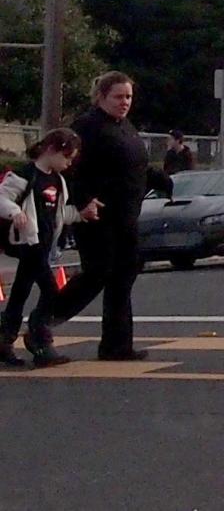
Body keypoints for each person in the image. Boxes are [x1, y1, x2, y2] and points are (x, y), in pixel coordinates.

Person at [49, 71, 173, 361]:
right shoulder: (87, 127)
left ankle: (117, 345)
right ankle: (43, 320)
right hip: (97, 217)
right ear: (101, 97)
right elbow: (68, 168)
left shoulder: (126, 127)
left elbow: (134, 165)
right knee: (97, 272)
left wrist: (159, 178)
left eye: (128, 96)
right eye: (118, 96)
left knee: (123, 276)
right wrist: (82, 201)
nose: (124, 102)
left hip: (127, 216)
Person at [0, 130, 102, 367]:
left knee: (20, 291)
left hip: (44, 243)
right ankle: (39, 338)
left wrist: (80, 214)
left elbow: (57, 214)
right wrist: (15, 213)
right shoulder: (26, 175)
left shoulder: (58, 181)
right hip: (29, 243)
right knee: (50, 290)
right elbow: (2, 198)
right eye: (67, 158)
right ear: (52, 149)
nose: (68, 164)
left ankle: (5, 337)